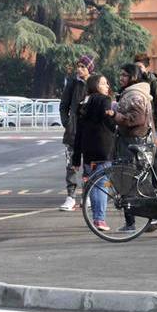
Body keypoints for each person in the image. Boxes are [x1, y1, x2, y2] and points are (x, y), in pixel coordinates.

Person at [75, 74, 117, 231]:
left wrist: (75, 158)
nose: (107, 86)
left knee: (93, 183)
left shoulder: (83, 103)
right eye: (104, 84)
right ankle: (100, 218)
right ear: (96, 86)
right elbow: (110, 124)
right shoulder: (104, 100)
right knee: (103, 184)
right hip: (103, 149)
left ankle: (96, 218)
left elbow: (78, 132)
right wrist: (114, 117)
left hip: (88, 152)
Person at [58, 55, 93, 212]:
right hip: (73, 132)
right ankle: (70, 197)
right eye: (78, 66)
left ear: (90, 69)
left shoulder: (96, 83)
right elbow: (63, 105)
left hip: (90, 131)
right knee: (71, 165)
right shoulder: (72, 83)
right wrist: (67, 122)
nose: (79, 69)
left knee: (89, 165)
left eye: (83, 67)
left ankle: (88, 196)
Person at [133, 53, 157, 165]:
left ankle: (155, 182)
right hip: (139, 126)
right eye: (136, 67)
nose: (138, 70)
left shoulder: (155, 84)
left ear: (146, 68)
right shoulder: (134, 82)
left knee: (154, 157)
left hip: (154, 126)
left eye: (140, 67)